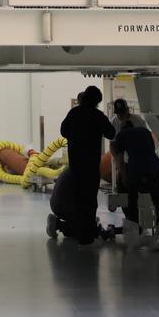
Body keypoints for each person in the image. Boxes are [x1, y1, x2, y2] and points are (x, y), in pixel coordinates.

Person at [59, 85, 115, 245]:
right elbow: (111, 133)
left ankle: (76, 229)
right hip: (91, 166)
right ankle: (87, 235)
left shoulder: (74, 113)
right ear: (98, 101)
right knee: (90, 199)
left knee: (77, 198)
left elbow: (63, 131)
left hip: (76, 165)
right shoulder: (98, 116)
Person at [112, 118, 159, 248]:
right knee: (157, 200)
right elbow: (151, 148)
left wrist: (124, 176)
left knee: (132, 200)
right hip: (154, 167)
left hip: (136, 168)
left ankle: (135, 234)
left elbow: (119, 159)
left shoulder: (121, 135)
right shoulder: (145, 131)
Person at [110, 97, 147, 191]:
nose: (120, 116)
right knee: (123, 187)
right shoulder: (114, 122)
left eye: (122, 113)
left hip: (138, 160)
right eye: (118, 113)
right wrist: (121, 168)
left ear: (127, 110)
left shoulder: (138, 121)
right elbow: (113, 146)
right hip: (122, 160)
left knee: (141, 187)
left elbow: (146, 143)